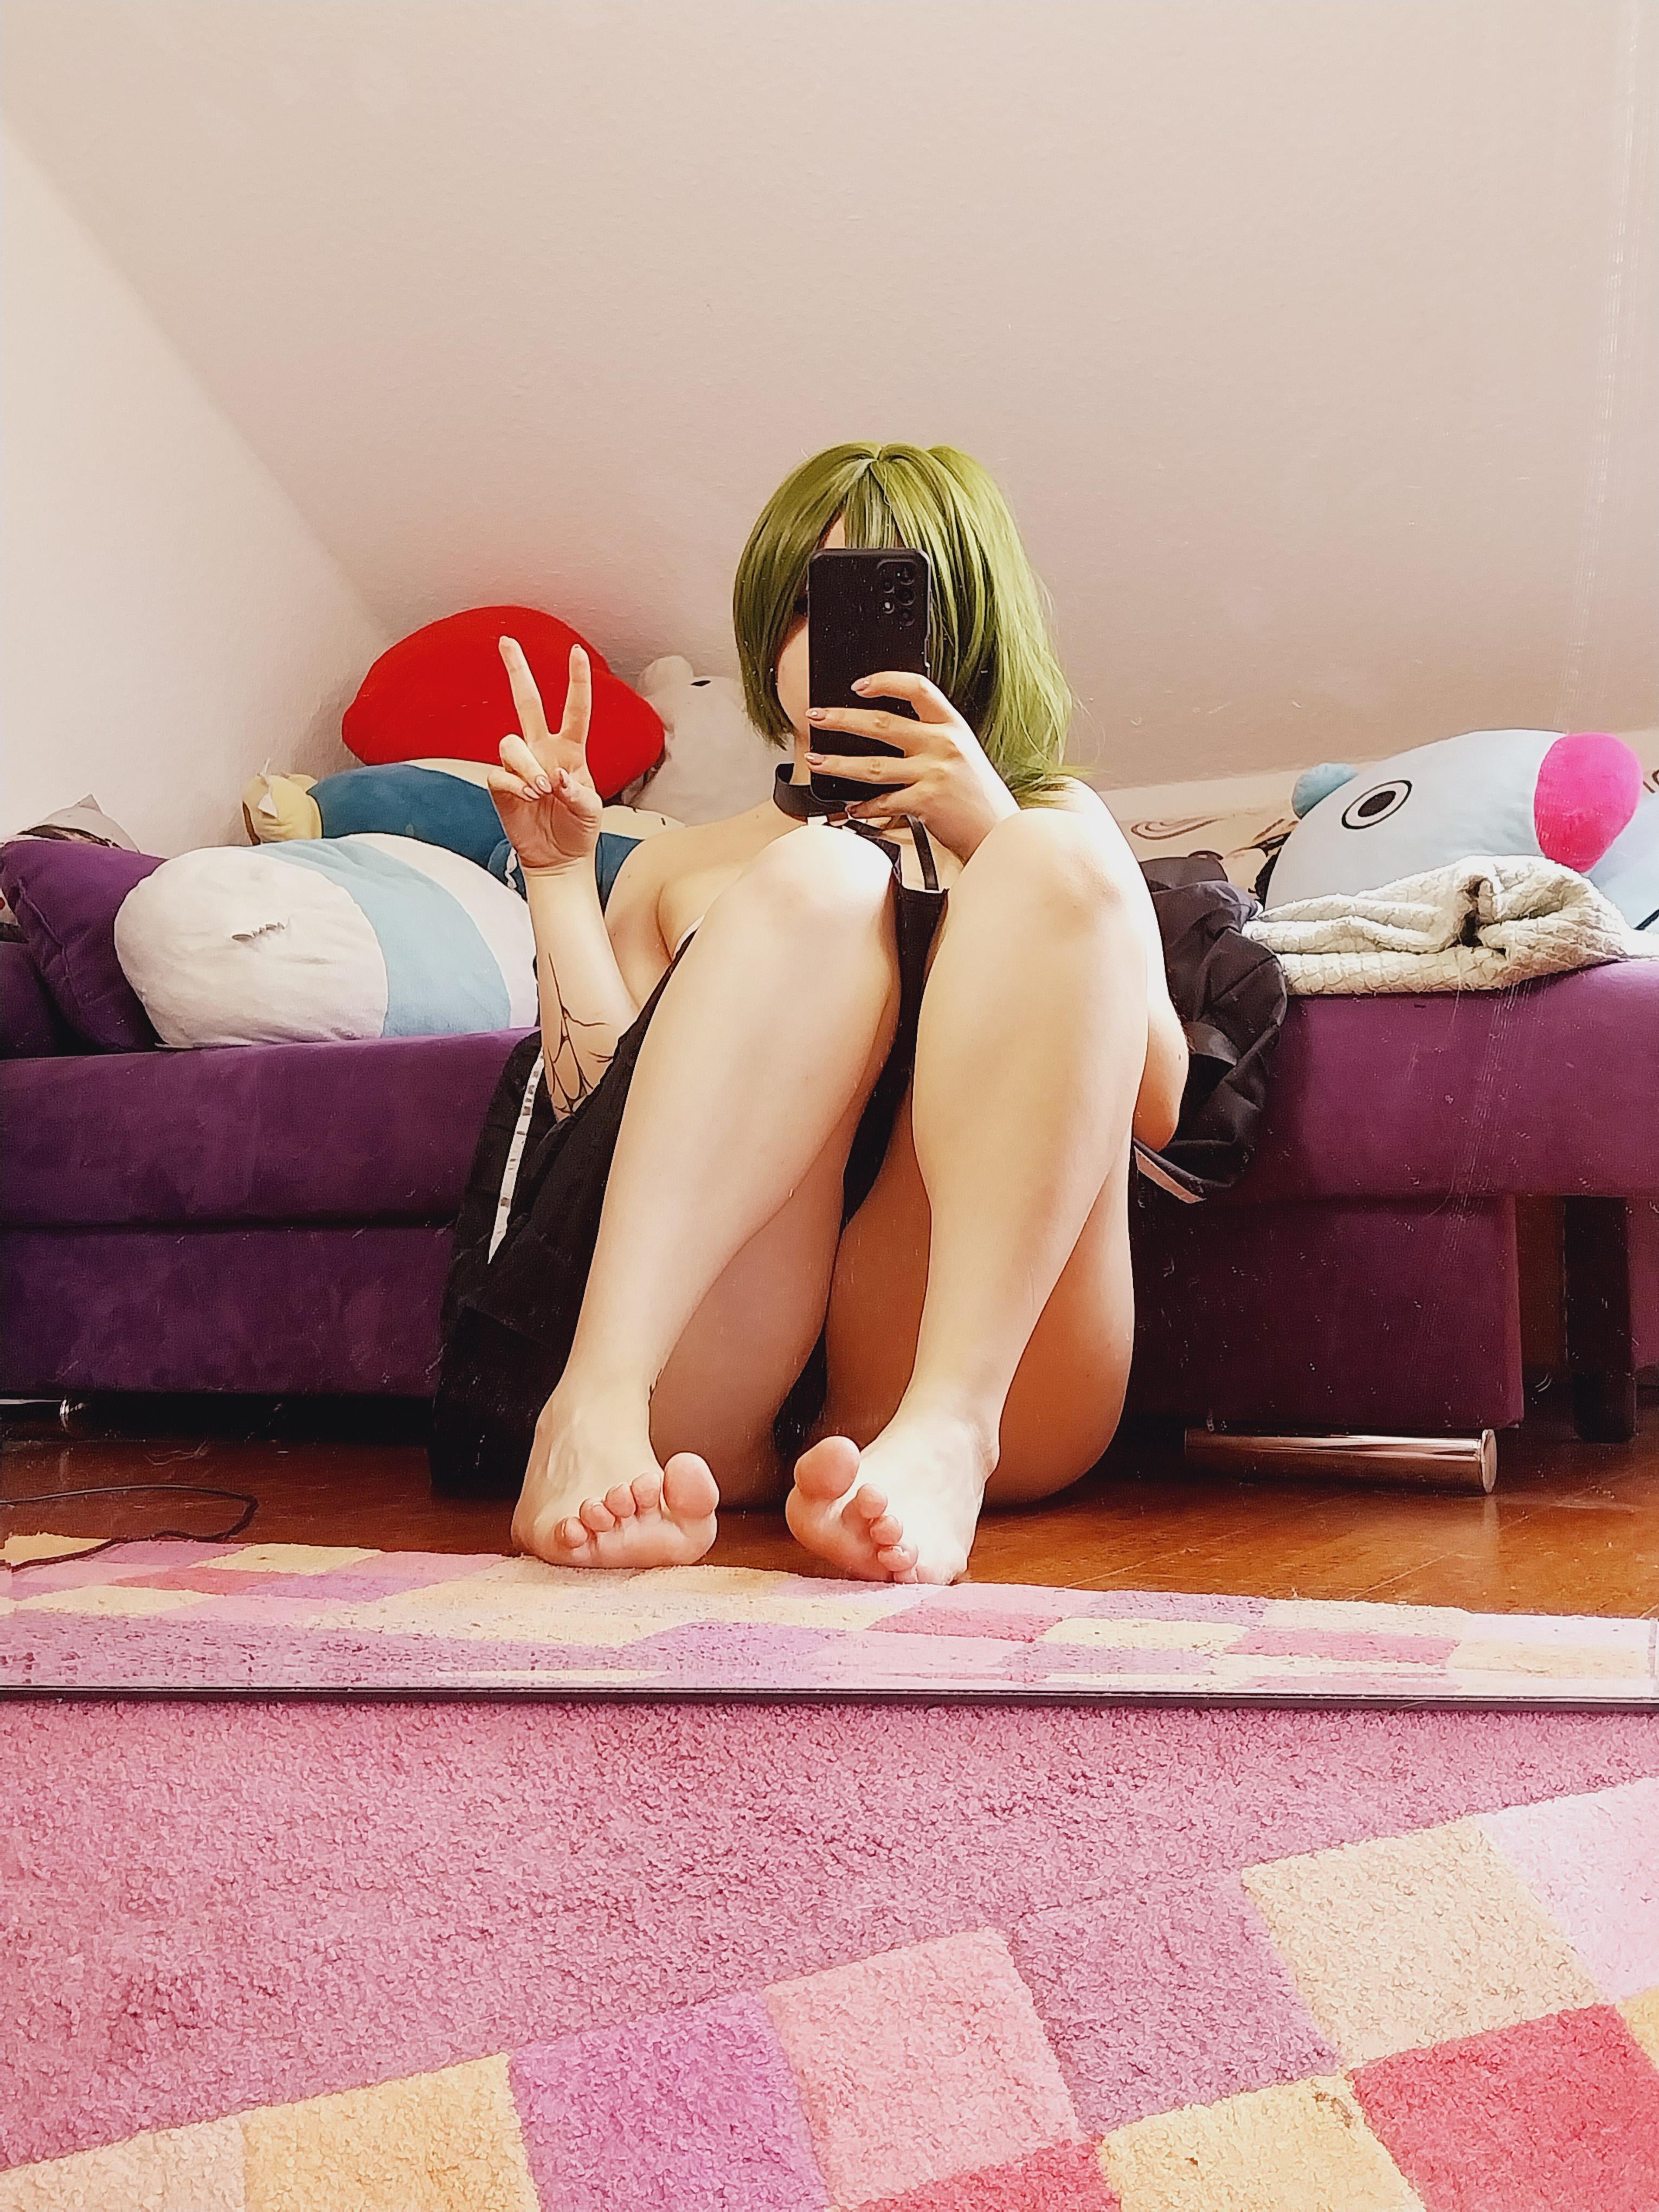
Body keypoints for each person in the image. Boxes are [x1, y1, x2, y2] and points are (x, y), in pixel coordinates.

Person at [431, 442, 1189, 1584]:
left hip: (975, 1365)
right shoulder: (679, 863)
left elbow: (1161, 1105)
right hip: (716, 1359)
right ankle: (593, 1409)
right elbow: (593, 1114)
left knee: (1052, 853)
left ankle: (942, 1438)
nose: (829, 643)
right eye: (807, 604)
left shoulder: (1049, 830)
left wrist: (988, 827)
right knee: (822, 874)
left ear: (965, 623)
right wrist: (557, 877)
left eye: (890, 603)